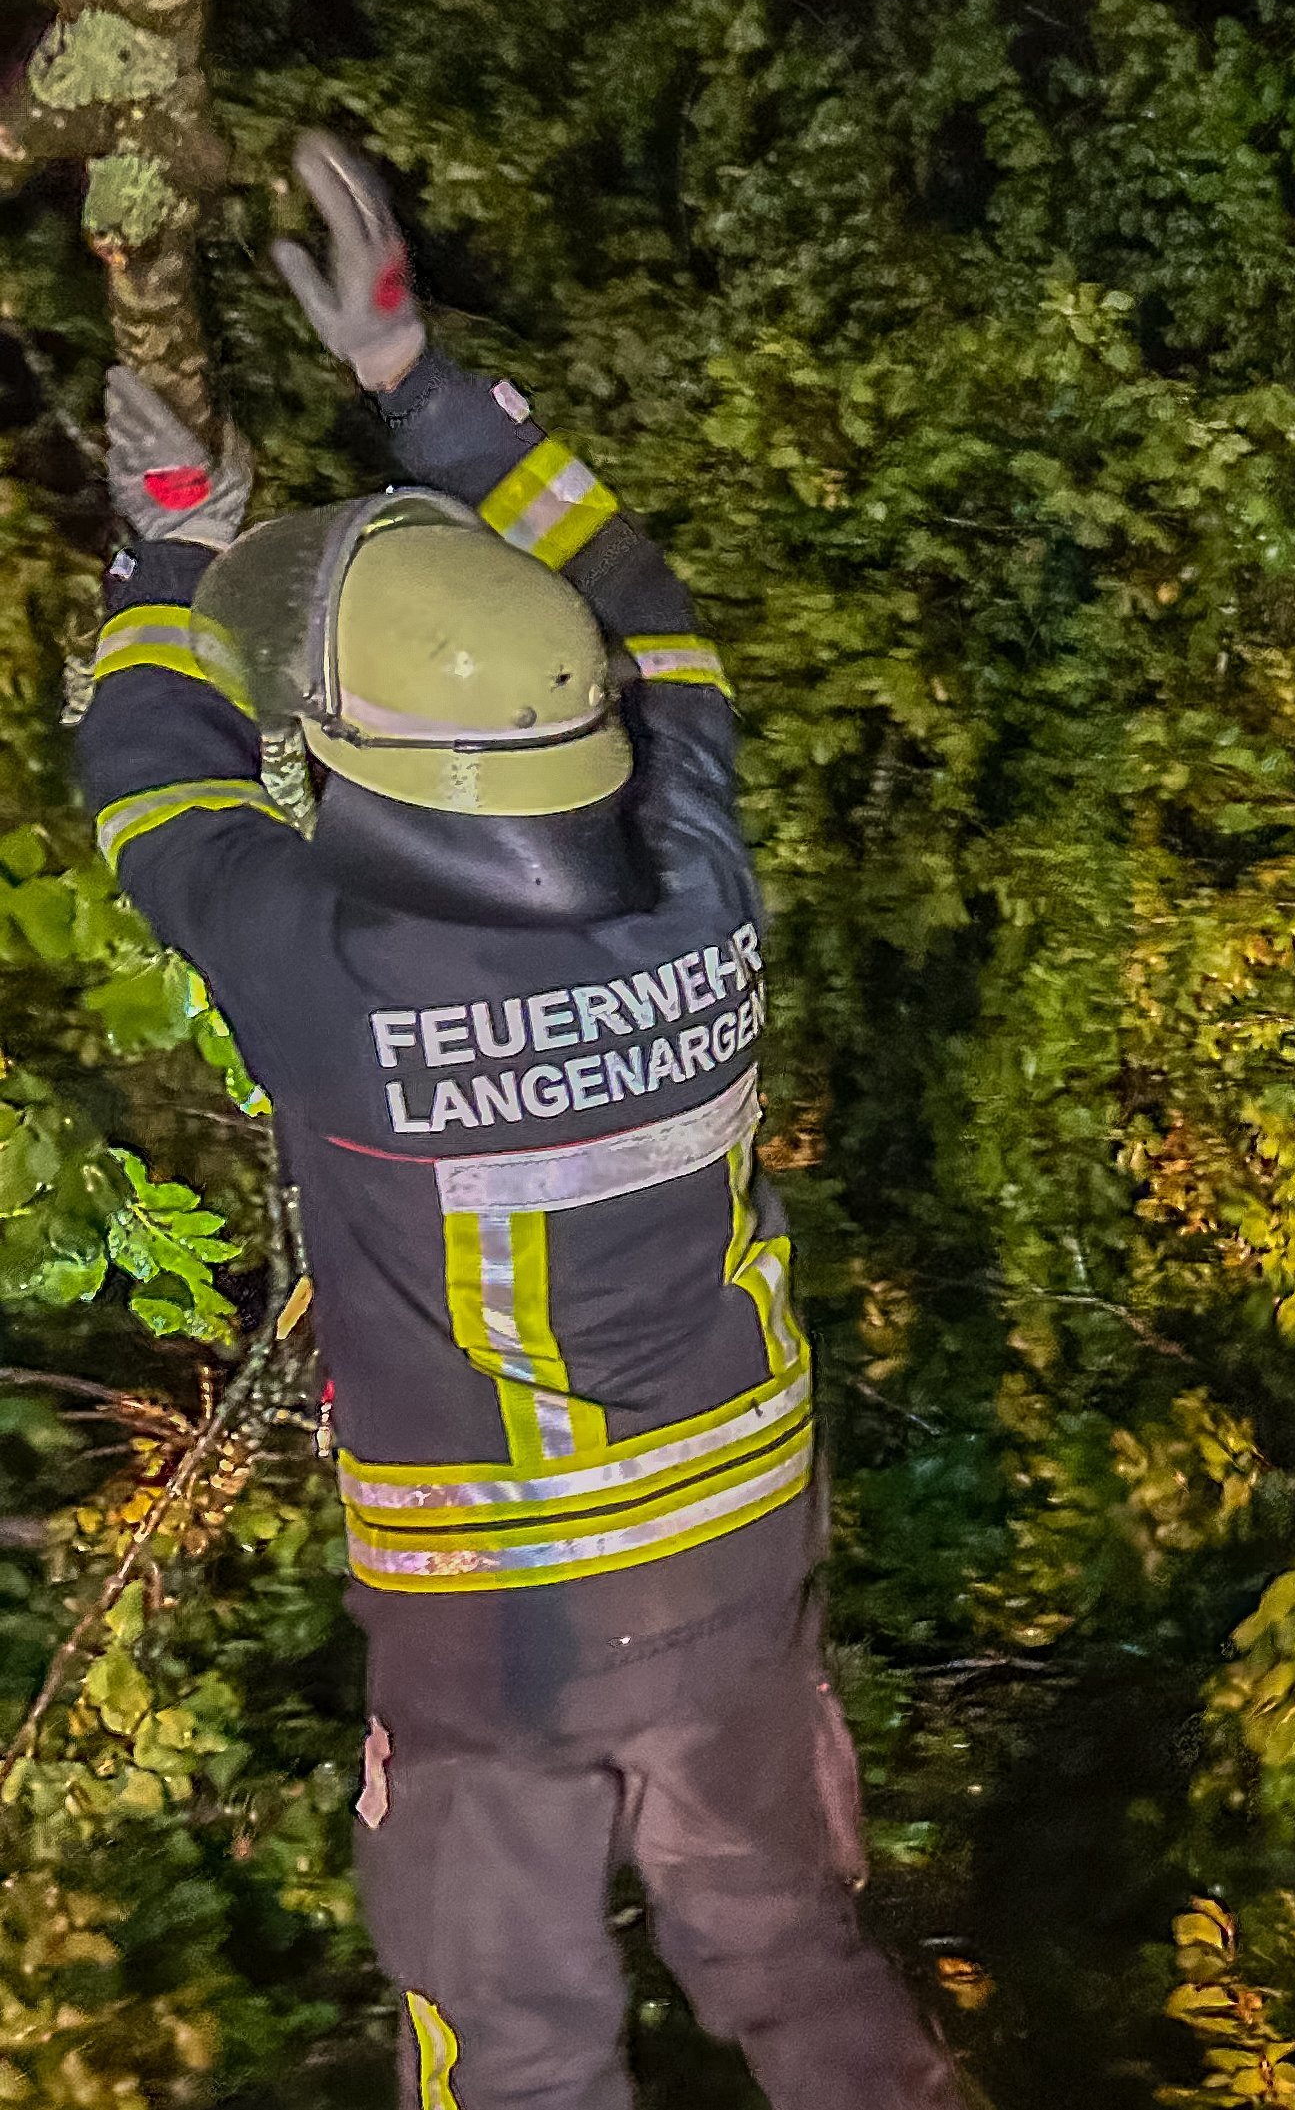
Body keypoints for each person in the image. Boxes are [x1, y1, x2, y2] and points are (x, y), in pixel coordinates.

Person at [78, 133, 966, 2110]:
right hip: (736, 1547)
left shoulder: (334, 971)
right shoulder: (693, 863)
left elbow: (146, 767)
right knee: (796, 1963)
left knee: (517, 2045)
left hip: (502, 1624)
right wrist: (424, 386)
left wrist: (165, 547)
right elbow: (641, 603)